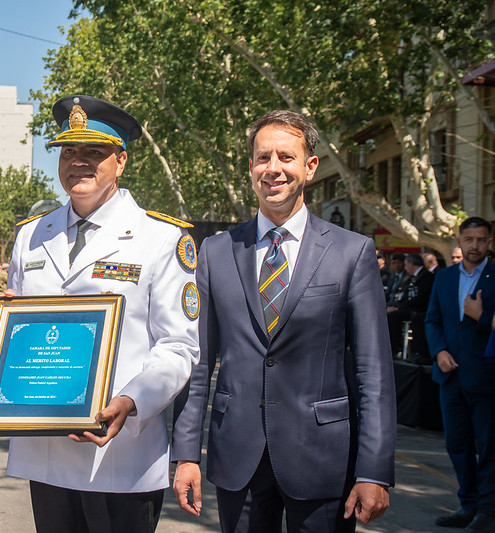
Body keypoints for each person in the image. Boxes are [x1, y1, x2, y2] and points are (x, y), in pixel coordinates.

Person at [171, 110, 396, 532]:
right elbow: (197, 365)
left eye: (286, 157)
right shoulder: (215, 253)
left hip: (323, 459)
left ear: (310, 167)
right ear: (251, 167)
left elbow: (374, 374)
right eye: (262, 158)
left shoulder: (353, 252)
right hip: (238, 457)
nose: (273, 168)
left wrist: (374, 470)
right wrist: (185, 454)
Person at [0, 95, 199, 532]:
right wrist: (0, 320)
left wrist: (132, 401)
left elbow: (178, 346)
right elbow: (20, 327)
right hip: (45, 450)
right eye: (69, 151)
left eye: (94, 152)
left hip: (120, 458)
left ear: (120, 161)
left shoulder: (160, 238)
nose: (78, 162)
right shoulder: (30, 236)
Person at [425, 217, 495, 532]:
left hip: (486, 377)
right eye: (469, 240)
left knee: (488, 447)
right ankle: (468, 504)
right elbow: (432, 320)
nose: (475, 246)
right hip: (450, 376)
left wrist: (482, 318)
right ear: (459, 241)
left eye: (481, 240)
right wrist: (438, 351)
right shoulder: (444, 277)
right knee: (457, 445)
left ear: (489, 242)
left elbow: (486, 323)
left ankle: (488, 511)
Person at [386, 253, 434, 359]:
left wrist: (399, 308)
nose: (405, 267)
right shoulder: (412, 278)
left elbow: (421, 298)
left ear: (411, 264)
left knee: (393, 316)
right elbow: (406, 296)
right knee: (389, 314)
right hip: (410, 308)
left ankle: (396, 349)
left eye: (406, 264)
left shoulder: (426, 277)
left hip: (419, 310)